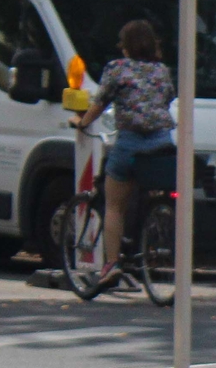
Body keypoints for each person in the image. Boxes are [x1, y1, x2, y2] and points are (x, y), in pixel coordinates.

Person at [74, 19, 175, 281]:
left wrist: (82, 123)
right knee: (152, 186)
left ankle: (111, 264)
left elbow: (100, 103)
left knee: (115, 205)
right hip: (162, 143)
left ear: (126, 46)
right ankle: (152, 224)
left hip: (130, 143)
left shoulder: (117, 69)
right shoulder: (162, 71)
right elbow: (167, 98)